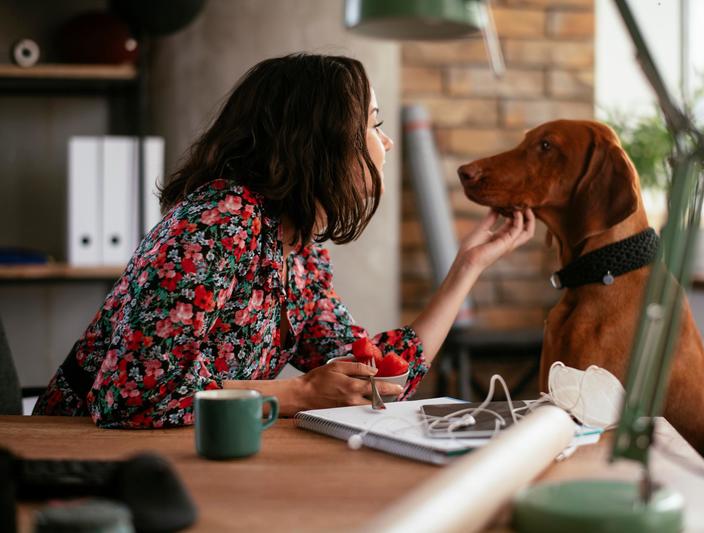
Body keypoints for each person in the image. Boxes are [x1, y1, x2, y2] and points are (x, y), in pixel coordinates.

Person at [33, 53, 535, 428]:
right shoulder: (218, 221)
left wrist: (468, 266)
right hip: (79, 458)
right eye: (372, 125)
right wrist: (296, 393)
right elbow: (130, 398)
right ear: (321, 140)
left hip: (189, 455)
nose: (385, 143)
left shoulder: (299, 248)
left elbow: (373, 379)